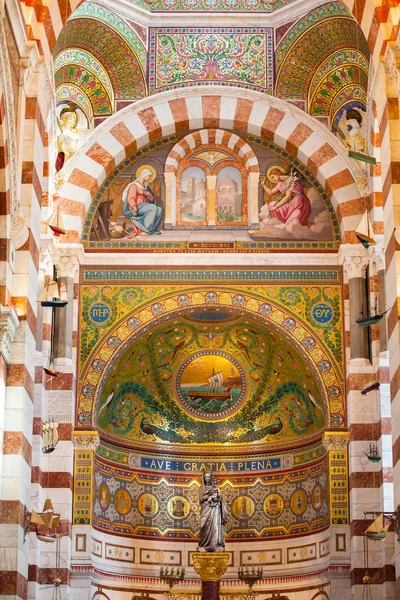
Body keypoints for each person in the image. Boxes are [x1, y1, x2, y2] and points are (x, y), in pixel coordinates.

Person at [122, 168, 163, 237]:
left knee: (159, 209)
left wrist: (150, 196)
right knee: (153, 207)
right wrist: (134, 207)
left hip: (145, 206)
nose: (150, 178)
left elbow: (152, 200)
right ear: (144, 175)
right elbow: (131, 198)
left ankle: (151, 229)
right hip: (137, 207)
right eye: (149, 176)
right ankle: (145, 230)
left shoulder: (145, 187)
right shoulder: (134, 186)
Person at [198, 471, 228, 551]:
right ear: (203, 478)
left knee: (215, 526)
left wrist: (216, 499)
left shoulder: (215, 488)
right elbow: (200, 500)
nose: (207, 479)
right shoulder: (202, 488)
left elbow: (219, 498)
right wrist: (207, 497)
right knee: (202, 525)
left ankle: (214, 544)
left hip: (214, 509)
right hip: (205, 508)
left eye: (208, 477)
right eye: (205, 477)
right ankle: (204, 544)